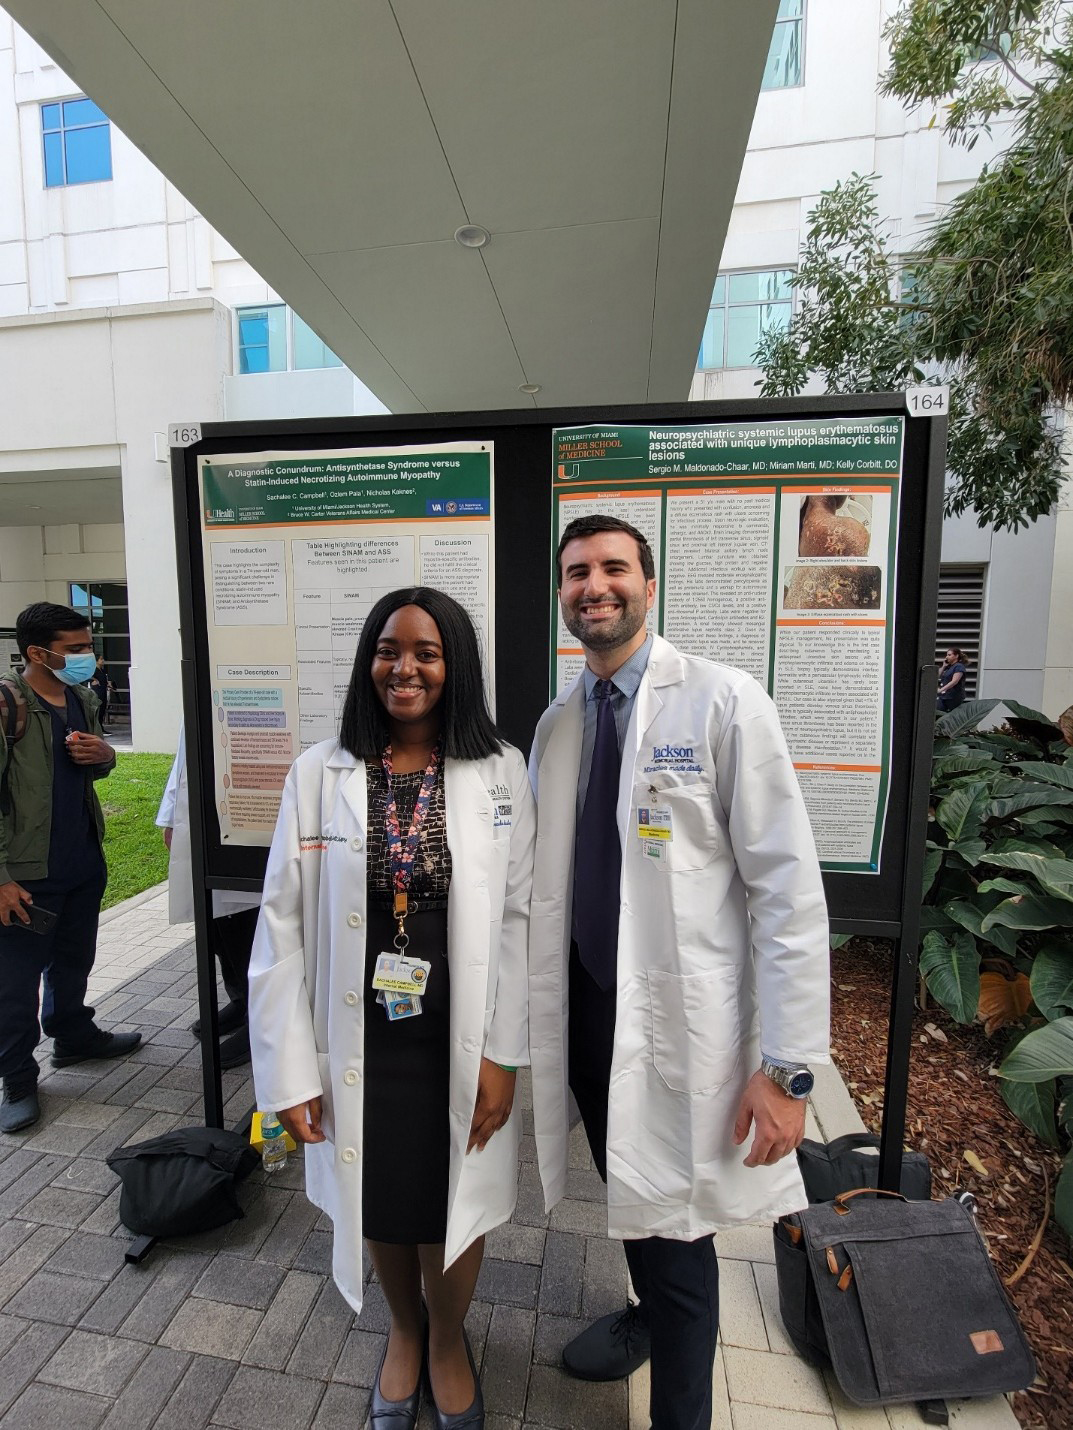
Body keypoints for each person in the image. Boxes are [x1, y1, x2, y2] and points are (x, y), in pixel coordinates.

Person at [527, 515, 830, 1430]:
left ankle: (682, 1414)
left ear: (648, 586)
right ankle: (645, 1312)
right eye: (577, 572)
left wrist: (787, 1069)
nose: (594, 586)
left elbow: (787, 891)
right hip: (585, 1014)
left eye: (613, 568)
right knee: (638, 1194)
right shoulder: (558, 723)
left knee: (680, 1235)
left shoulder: (723, 700)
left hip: (684, 1024)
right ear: (563, 594)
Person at [249, 587, 534, 1430]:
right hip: (357, 1033)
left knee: (454, 1191)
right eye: (387, 649)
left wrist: (501, 1055)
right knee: (375, 1185)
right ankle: (403, 1331)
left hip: (461, 1030)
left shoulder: (500, 771)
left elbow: (518, 923)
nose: (403, 668)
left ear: (456, 666)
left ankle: (449, 1338)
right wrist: (289, 1072)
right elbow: (281, 927)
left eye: (426, 652)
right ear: (367, 661)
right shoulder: (320, 771)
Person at [0, 603, 141, 1133]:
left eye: (88, 645)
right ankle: (15, 1076)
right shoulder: (7, 704)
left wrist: (103, 754)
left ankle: (73, 1035)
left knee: (73, 958)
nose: (89, 657)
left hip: (82, 860)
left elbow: (96, 768)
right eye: (77, 649)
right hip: (27, 875)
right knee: (15, 981)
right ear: (39, 652)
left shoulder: (80, 697)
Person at [156, 728, 259, 1068]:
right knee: (218, 926)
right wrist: (171, 815)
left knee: (248, 926)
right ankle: (242, 1001)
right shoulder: (204, 682)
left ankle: (260, 1023)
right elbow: (185, 755)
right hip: (205, 815)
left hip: (247, 809)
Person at [90, 656, 111, 731]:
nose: (103, 660)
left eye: (103, 659)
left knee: (102, 709)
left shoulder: (102, 670)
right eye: (101, 659)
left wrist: (108, 684)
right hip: (97, 692)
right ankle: (96, 728)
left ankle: (101, 726)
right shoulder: (94, 670)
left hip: (103, 691)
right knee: (98, 709)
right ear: (96, 661)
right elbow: (88, 676)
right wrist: (95, 680)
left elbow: (105, 679)